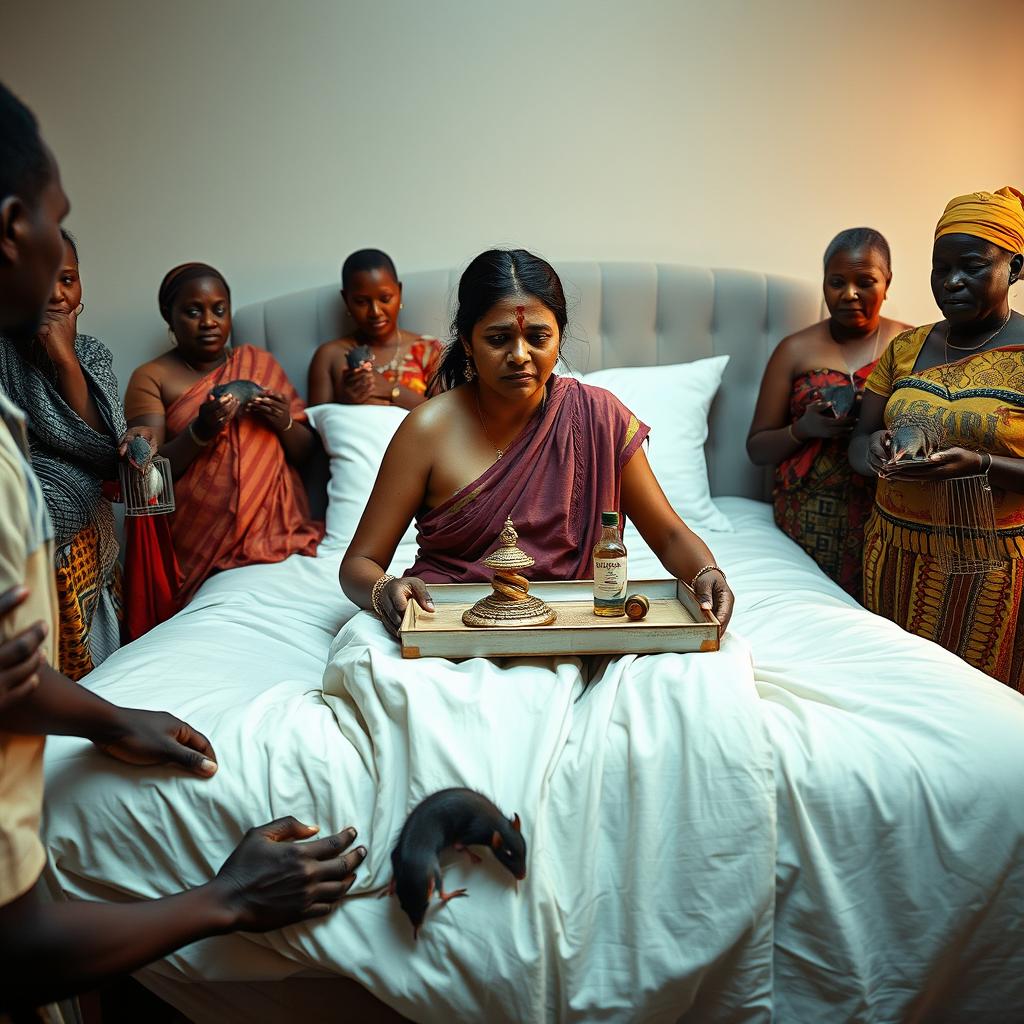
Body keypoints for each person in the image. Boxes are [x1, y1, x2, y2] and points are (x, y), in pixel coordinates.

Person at [0, 81, 365, 1014]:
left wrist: (114, 720)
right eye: (58, 225)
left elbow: (9, 677)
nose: (66, 265)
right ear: (13, 229)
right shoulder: (144, 383)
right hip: (203, 540)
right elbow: (19, 940)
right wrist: (227, 898)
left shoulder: (262, 369)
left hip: (281, 538)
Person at [338, 248, 734, 634]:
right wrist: (384, 589)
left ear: (559, 338)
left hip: (570, 623)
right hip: (449, 623)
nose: (520, 355)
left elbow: (667, 535)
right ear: (467, 343)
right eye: (498, 339)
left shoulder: (598, 416)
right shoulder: (427, 429)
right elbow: (360, 562)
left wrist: (706, 572)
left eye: (538, 337)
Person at [849, 186, 1024, 689]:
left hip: (989, 570)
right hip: (892, 554)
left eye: (971, 266)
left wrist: (980, 463)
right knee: (888, 694)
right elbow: (859, 442)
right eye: (939, 268)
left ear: (1013, 268)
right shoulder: (906, 346)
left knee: (974, 707)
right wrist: (877, 452)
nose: (951, 282)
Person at [124, 264, 323, 606]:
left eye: (219, 310)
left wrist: (283, 422)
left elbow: (307, 454)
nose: (209, 322)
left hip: (277, 536)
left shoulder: (257, 363)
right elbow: (148, 476)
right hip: (197, 545)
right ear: (168, 316)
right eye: (192, 311)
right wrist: (200, 431)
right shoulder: (151, 377)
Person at [0, 229, 150, 677]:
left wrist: (65, 361)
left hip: (78, 519)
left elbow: (108, 453)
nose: (57, 294)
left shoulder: (90, 353)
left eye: (67, 279)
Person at [747, 228, 910, 599]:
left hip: (884, 510)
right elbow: (756, 449)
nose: (849, 294)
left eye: (865, 282)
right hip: (807, 514)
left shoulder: (911, 348)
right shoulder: (794, 349)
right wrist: (803, 429)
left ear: (887, 284)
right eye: (837, 282)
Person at [307, 248, 442, 408]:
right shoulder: (329, 355)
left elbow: (444, 418)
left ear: (399, 291)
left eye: (385, 299)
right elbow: (316, 425)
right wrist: (344, 401)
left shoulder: (429, 350)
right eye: (361, 302)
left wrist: (391, 391)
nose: (375, 312)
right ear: (346, 300)